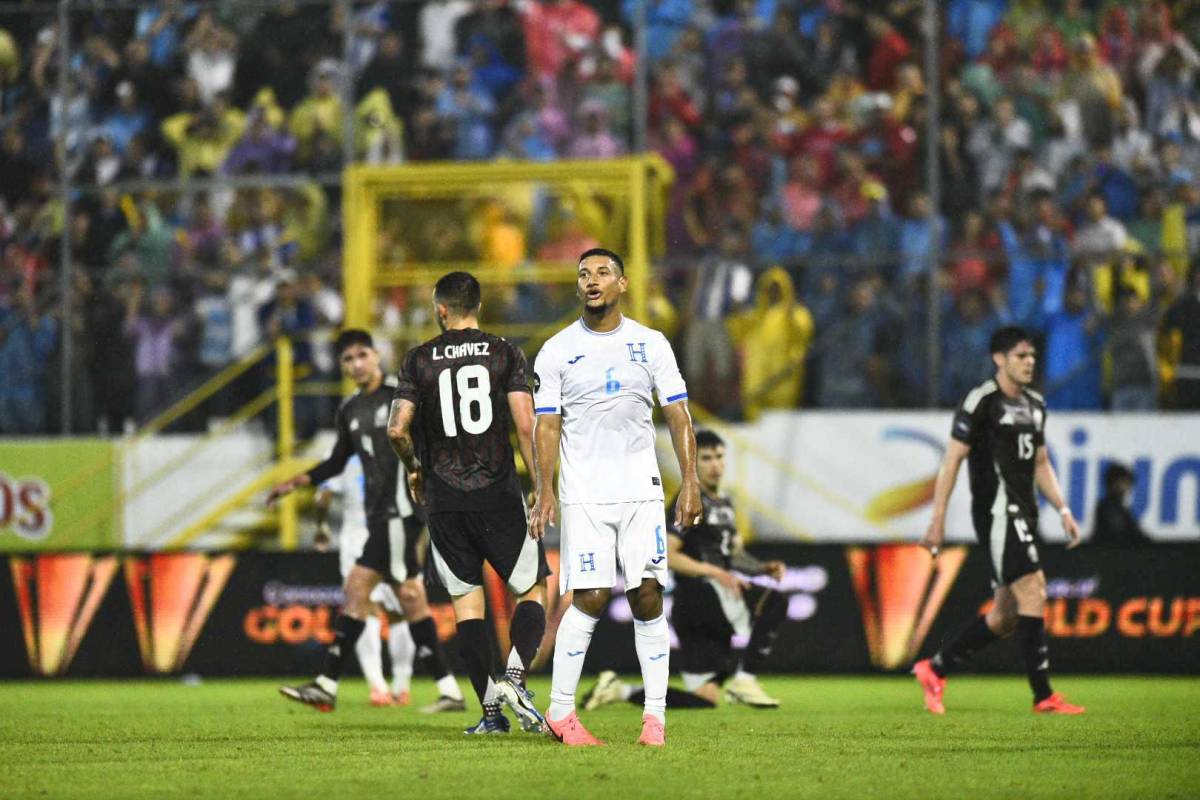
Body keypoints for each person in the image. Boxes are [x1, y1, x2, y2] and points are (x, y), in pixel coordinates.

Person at [530, 247, 702, 747]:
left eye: (602, 272)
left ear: (622, 283)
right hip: (584, 493)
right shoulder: (557, 350)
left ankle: (655, 718)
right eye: (583, 273)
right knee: (590, 596)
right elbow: (546, 426)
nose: (591, 280)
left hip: (641, 491)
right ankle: (560, 712)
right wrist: (544, 490)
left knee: (648, 594)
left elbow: (678, 415)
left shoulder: (651, 345)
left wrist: (689, 481)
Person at [386, 271, 551, 736]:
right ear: (478, 305)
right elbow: (525, 426)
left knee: (466, 605)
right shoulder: (505, 352)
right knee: (532, 590)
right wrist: (541, 483)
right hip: (498, 493)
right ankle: (515, 679)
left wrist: (414, 467)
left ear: (441, 309)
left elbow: (396, 430)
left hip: (443, 499)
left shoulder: (418, 360)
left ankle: (491, 715)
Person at [268, 329, 464, 713]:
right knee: (409, 597)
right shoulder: (349, 410)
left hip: (401, 512)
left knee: (360, 587)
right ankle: (449, 689)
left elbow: (435, 440)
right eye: (348, 359)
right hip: (381, 516)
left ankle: (326, 684)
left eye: (362, 355)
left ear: (377, 355)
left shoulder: (401, 397)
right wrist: (295, 482)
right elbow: (337, 461)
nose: (356, 364)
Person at [914, 326, 1085, 716]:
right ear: (999, 359)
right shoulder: (981, 401)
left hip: (1024, 511)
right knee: (1034, 587)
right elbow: (953, 459)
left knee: (1005, 613)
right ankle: (1043, 696)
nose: (1029, 363)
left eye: (1032, 357)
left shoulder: (1035, 404)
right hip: (996, 512)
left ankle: (934, 668)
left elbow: (1041, 462)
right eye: (1021, 356)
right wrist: (937, 519)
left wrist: (1062, 509)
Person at [581, 429, 789, 712]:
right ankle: (746, 678)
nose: (715, 465)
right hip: (703, 596)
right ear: (693, 463)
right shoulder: (690, 501)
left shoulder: (724, 503)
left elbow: (732, 555)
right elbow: (668, 552)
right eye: (706, 458)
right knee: (774, 601)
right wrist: (713, 572)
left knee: (705, 699)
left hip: (699, 609)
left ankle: (619, 690)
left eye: (719, 457)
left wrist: (762, 568)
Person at [313, 454, 416, 707]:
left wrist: (321, 525)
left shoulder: (344, 451)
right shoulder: (398, 443)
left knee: (362, 608)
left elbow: (322, 494)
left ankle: (378, 687)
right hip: (393, 535)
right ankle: (400, 687)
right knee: (399, 611)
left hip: (356, 540)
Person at [1090, 463, 1150, 545]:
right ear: (1113, 483)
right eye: (1124, 482)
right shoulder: (1108, 508)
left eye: (1128, 483)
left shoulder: (1121, 509)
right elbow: (1122, 534)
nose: (1127, 488)